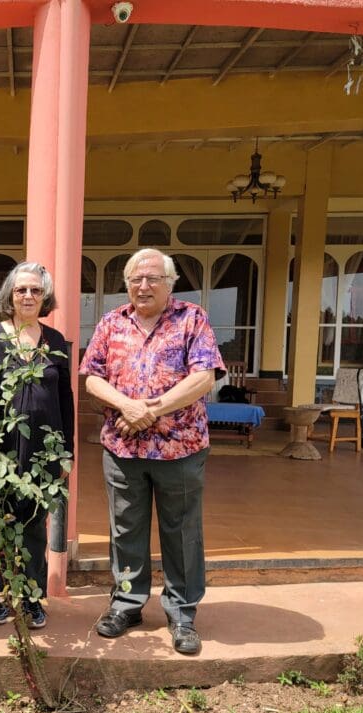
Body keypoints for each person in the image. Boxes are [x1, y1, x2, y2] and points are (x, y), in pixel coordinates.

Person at [80, 248, 224, 655]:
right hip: (123, 447)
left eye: (152, 279)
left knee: (181, 532)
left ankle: (181, 613)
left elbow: (204, 377)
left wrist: (150, 410)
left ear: (169, 283)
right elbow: (91, 377)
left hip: (180, 449)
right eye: (135, 279)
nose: (143, 286)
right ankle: (127, 603)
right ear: (126, 284)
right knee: (125, 529)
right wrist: (126, 407)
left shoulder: (191, 318)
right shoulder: (111, 323)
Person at [0, 262, 75, 630]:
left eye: (35, 290)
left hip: (44, 452)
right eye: (21, 290)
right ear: (9, 297)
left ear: (44, 297)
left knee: (34, 526)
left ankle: (31, 599)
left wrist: (68, 451)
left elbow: (66, 399)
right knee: (0, 523)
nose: (28, 296)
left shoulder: (56, 341)